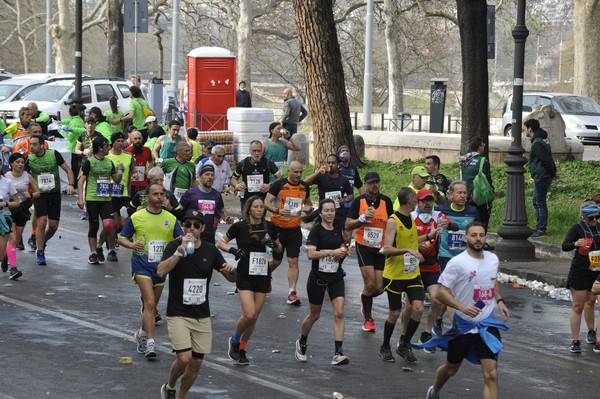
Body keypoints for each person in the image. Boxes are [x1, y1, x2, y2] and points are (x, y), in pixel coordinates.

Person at [421, 222, 510, 399]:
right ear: (466, 238)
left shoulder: (493, 259)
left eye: (481, 235)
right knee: (451, 369)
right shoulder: (457, 263)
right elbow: (440, 291)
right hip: (463, 326)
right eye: (474, 235)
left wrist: (499, 300)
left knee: (491, 374)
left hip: (486, 325)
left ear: (485, 237)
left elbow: (492, 280)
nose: (478, 239)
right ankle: (435, 391)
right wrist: (461, 307)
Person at [156, 209, 236, 398]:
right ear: (183, 227)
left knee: (196, 362)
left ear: (203, 228)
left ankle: (179, 396)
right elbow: (160, 271)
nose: (191, 228)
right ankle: (169, 385)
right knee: (184, 358)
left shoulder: (210, 250)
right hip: (178, 312)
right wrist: (179, 251)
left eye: (196, 225)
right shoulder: (174, 246)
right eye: (188, 225)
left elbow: (231, 279)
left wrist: (231, 271)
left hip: (201, 314)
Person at [118, 183, 185, 360]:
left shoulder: (170, 218)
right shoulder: (137, 217)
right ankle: (150, 343)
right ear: (147, 197)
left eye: (161, 194)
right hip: (141, 265)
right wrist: (132, 244)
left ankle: (140, 333)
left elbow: (181, 239)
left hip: (161, 268)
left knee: (152, 305)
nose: (159, 197)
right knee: (149, 302)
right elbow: (121, 238)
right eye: (155, 194)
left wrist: (181, 241)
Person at [217, 196, 282, 365]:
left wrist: (274, 245)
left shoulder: (270, 227)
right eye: (256, 207)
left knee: (254, 317)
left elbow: (280, 248)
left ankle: (242, 348)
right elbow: (221, 243)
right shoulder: (239, 227)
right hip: (245, 274)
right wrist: (233, 251)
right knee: (249, 314)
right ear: (249, 209)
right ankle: (235, 339)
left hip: (263, 275)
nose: (260, 209)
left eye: (262, 207)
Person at [294, 198, 350, 366]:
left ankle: (338, 352)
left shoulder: (339, 229)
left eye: (332, 210)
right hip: (318, 278)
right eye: (326, 210)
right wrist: (331, 252)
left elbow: (342, 248)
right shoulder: (316, 231)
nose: (330, 213)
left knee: (339, 313)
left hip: (335, 277)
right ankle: (302, 341)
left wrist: (345, 251)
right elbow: (311, 254)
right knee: (315, 315)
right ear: (321, 213)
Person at [378, 187, 425, 364]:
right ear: (409, 200)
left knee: (418, 309)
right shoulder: (393, 221)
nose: (418, 201)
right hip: (395, 275)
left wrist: (428, 236)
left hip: (412, 273)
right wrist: (409, 251)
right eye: (416, 198)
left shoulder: (410, 218)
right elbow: (386, 249)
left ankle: (404, 345)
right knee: (395, 312)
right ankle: (385, 346)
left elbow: (411, 241)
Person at [345, 171, 393, 332]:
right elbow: (348, 225)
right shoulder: (359, 201)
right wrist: (362, 219)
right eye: (371, 182)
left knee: (379, 287)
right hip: (363, 246)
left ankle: (365, 297)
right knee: (370, 283)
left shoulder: (386, 201)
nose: (375, 185)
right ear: (365, 184)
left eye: (377, 182)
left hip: (380, 248)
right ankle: (368, 319)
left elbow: (392, 223)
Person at [433, 181, 480, 333]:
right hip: (446, 256)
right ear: (450, 195)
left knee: (458, 294)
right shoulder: (441, 211)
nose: (462, 196)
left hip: (466, 257)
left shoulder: (473, 212)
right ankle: (456, 329)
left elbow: (478, 232)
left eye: (465, 193)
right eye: (459, 193)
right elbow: (435, 231)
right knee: (450, 292)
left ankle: (438, 319)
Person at [407, 189, 450, 352]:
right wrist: (417, 245)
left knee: (437, 300)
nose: (427, 204)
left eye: (430, 201)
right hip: (413, 265)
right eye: (424, 201)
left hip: (431, 265)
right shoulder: (410, 218)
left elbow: (454, 225)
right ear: (417, 203)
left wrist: (448, 224)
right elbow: (403, 240)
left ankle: (426, 334)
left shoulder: (438, 216)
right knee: (411, 305)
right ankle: (405, 337)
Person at [264, 160, 313, 305]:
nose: (298, 175)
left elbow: (309, 204)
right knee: (276, 261)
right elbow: (266, 203)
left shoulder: (305, 187)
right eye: (295, 172)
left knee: (293, 260)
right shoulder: (278, 185)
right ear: (289, 171)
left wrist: (308, 209)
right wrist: (278, 210)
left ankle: (292, 292)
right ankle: (265, 276)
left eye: (300, 172)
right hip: (277, 227)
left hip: (294, 229)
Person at [26, 135, 76, 265]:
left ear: (42, 145)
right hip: (40, 194)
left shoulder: (53, 154)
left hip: (54, 193)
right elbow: (21, 175)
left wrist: (71, 185)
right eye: (30, 144)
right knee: (41, 221)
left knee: (53, 226)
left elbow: (68, 170)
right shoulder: (29, 158)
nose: (31, 147)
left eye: (34, 144)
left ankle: (41, 241)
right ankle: (40, 252)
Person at [561, 202, 600, 353]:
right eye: (591, 218)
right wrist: (576, 244)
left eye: (597, 217)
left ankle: (596, 336)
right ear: (583, 217)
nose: (595, 220)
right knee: (578, 306)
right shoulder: (577, 228)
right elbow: (565, 246)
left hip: (597, 271)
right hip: (581, 270)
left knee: (593, 301)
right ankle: (575, 340)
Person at [77, 136, 122, 264]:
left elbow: (116, 179)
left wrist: (120, 170)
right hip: (92, 198)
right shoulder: (89, 162)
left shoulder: (109, 162)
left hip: (106, 198)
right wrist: (80, 198)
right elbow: (81, 180)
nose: (109, 148)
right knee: (94, 226)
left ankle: (99, 245)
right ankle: (92, 253)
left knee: (109, 225)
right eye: (107, 146)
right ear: (101, 148)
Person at [179, 164, 234, 244]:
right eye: (207, 174)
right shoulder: (190, 193)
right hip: (191, 235)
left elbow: (221, 210)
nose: (210, 177)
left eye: (212, 175)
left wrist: (227, 218)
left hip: (209, 237)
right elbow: (179, 211)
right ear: (200, 177)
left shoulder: (216, 195)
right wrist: (180, 230)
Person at [525, 118, 560, 238]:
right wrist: (553, 171)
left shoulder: (537, 142)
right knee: (536, 201)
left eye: (526, 128)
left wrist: (552, 172)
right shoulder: (542, 140)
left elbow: (545, 159)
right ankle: (539, 226)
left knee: (540, 202)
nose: (525, 130)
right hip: (542, 175)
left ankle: (541, 229)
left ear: (530, 129)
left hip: (542, 175)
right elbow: (549, 157)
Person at [103, 132, 134, 262]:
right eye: (118, 141)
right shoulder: (107, 157)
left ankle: (110, 237)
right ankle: (111, 250)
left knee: (123, 223)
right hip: (110, 194)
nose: (121, 143)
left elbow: (132, 172)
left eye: (122, 141)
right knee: (113, 223)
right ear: (112, 143)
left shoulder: (129, 156)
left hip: (125, 193)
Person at [305, 154, 354, 234]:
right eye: (329, 163)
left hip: (338, 213)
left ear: (338, 164)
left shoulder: (344, 180)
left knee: (337, 236)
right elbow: (305, 182)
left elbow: (351, 195)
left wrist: (345, 200)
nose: (330, 165)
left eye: (333, 163)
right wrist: (317, 172)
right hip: (323, 214)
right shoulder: (321, 177)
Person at [1, 154, 32, 280]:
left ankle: (6, 256)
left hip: (18, 210)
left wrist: (30, 195)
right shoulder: (8, 176)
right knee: (13, 240)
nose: (20, 164)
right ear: (11, 164)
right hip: (7, 213)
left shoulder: (9, 181)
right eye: (17, 162)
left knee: (15, 241)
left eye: (22, 162)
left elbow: (36, 193)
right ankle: (13, 269)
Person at [230, 140, 280, 212]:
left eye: (259, 151)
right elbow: (234, 178)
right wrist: (237, 185)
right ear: (250, 151)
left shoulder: (268, 163)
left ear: (262, 151)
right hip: (246, 199)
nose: (256, 153)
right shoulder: (243, 163)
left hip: (262, 199)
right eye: (254, 151)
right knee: (246, 221)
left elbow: (279, 178)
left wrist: (270, 185)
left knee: (260, 221)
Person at [459, 137, 494, 231]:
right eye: (483, 145)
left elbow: (461, 177)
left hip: (466, 195)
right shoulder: (483, 160)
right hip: (479, 196)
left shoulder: (463, 160)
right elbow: (488, 180)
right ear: (479, 147)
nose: (484, 147)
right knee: (482, 219)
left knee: (469, 220)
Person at [125, 130, 153, 196]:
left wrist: (149, 170)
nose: (138, 140)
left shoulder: (147, 150)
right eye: (135, 139)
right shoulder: (127, 151)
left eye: (139, 138)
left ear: (142, 138)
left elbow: (151, 162)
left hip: (143, 183)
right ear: (131, 139)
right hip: (130, 183)